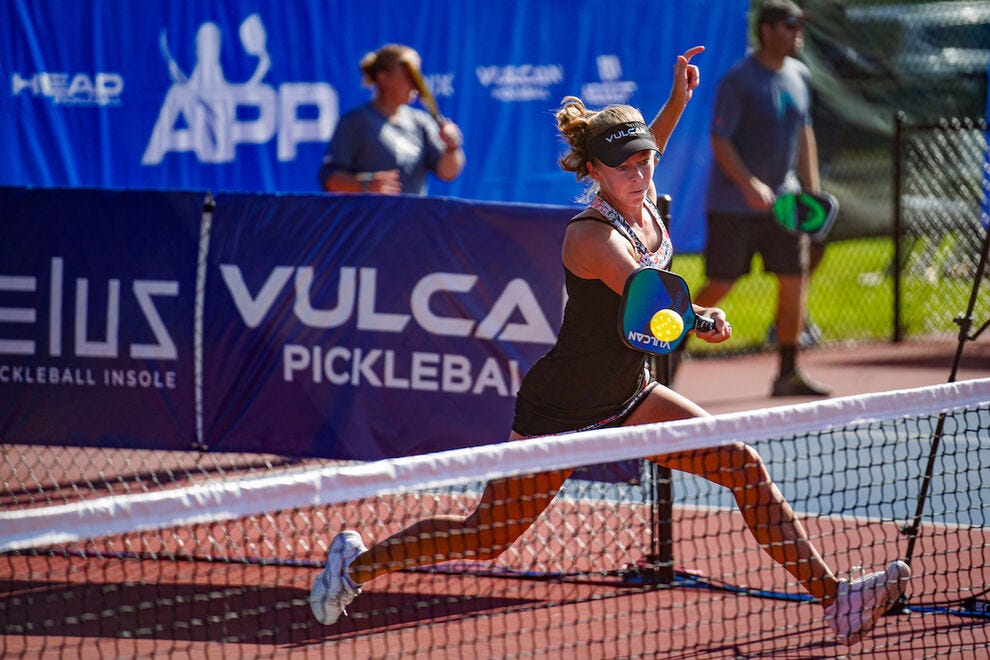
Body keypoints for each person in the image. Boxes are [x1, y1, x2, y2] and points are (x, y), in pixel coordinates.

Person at [309, 46, 909, 647]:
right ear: (594, 170)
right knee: (486, 535)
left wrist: (677, 100)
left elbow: (653, 146)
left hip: (631, 393)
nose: (640, 173)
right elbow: (645, 296)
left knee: (742, 467)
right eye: (624, 165)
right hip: (562, 410)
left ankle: (838, 598)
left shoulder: (641, 189)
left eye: (645, 161)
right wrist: (699, 317)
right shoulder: (591, 236)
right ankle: (354, 566)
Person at [693, 0, 832, 396]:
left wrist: (811, 190)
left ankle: (788, 373)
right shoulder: (739, 80)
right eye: (790, 25)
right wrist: (748, 184)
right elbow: (720, 139)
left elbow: (804, 135)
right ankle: (666, 360)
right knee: (720, 283)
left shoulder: (800, 75)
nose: (798, 32)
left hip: (786, 205)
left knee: (794, 279)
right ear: (767, 30)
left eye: (799, 25)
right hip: (732, 205)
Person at [318, 43, 465, 195]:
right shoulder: (354, 122)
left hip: (413, 218)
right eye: (408, 74)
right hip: (371, 218)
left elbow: (447, 173)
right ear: (383, 78)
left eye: (417, 74)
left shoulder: (421, 121)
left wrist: (452, 147)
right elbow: (330, 179)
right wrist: (366, 185)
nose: (416, 82)